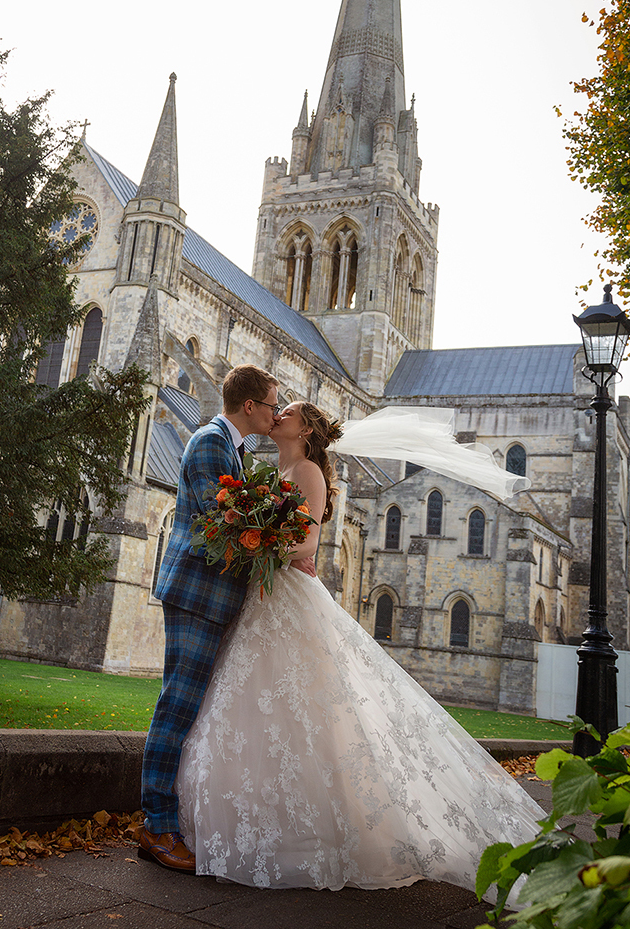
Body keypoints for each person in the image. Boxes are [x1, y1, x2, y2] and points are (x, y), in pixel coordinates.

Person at [175, 401, 544, 893]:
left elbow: (307, 545)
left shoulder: (307, 470)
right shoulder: (272, 467)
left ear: (304, 428)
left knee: (311, 706)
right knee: (265, 706)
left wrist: (257, 546)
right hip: (266, 594)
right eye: (275, 406)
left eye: (286, 410)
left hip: (287, 592)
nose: (277, 413)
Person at [139, 366, 317, 873]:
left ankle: (169, 820)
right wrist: (280, 546)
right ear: (250, 407)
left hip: (211, 598)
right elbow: (222, 527)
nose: (275, 411)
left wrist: (280, 542)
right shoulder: (210, 441)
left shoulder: (232, 447)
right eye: (272, 403)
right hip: (197, 594)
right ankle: (156, 826)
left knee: (189, 709)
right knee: (177, 707)